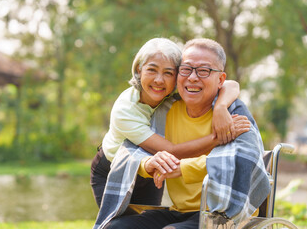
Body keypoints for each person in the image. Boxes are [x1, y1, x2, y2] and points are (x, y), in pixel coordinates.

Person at [103, 38, 270, 229]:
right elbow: (133, 152)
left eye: (204, 71)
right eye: (186, 69)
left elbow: (241, 158)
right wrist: (147, 164)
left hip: (222, 213)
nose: (192, 77)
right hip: (179, 212)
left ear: (220, 80)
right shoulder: (165, 109)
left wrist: (184, 167)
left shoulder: (233, 111)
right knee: (115, 227)